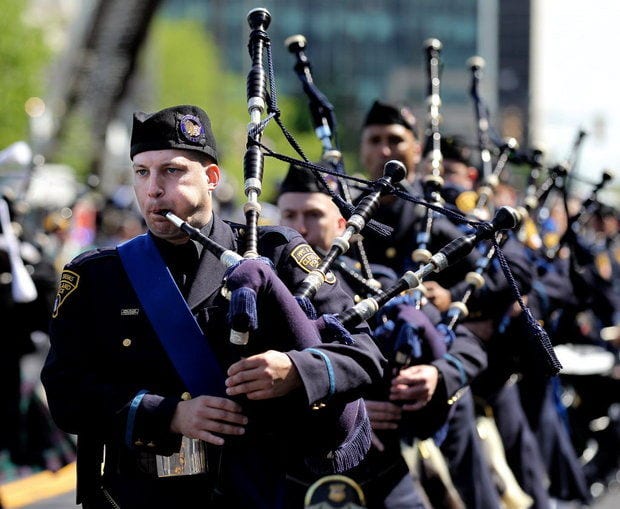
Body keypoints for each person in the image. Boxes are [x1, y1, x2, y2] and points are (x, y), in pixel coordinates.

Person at [41, 104, 385, 509]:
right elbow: (66, 393)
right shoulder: (97, 277)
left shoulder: (275, 253)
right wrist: (167, 415)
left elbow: (364, 357)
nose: (153, 189)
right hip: (139, 497)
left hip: (261, 491)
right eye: (141, 172)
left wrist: (295, 371)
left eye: (172, 170)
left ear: (212, 178)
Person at [277, 161, 488, 508]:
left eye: (313, 215)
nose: (300, 229)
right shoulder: (256, 290)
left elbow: (468, 347)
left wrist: (437, 374)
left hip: (382, 476)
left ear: (343, 224)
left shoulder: (380, 287)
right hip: (288, 478)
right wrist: (350, 414)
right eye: (289, 215)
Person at [358, 101, 500, 509]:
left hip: (439, 375)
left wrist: (449, 297)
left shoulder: (440, 213)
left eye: (395, 140)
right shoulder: (339, 213)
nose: (385, 150)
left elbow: (505, 276)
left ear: (416, 150)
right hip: (366, 389)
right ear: (362, 149)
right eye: (375, 141)